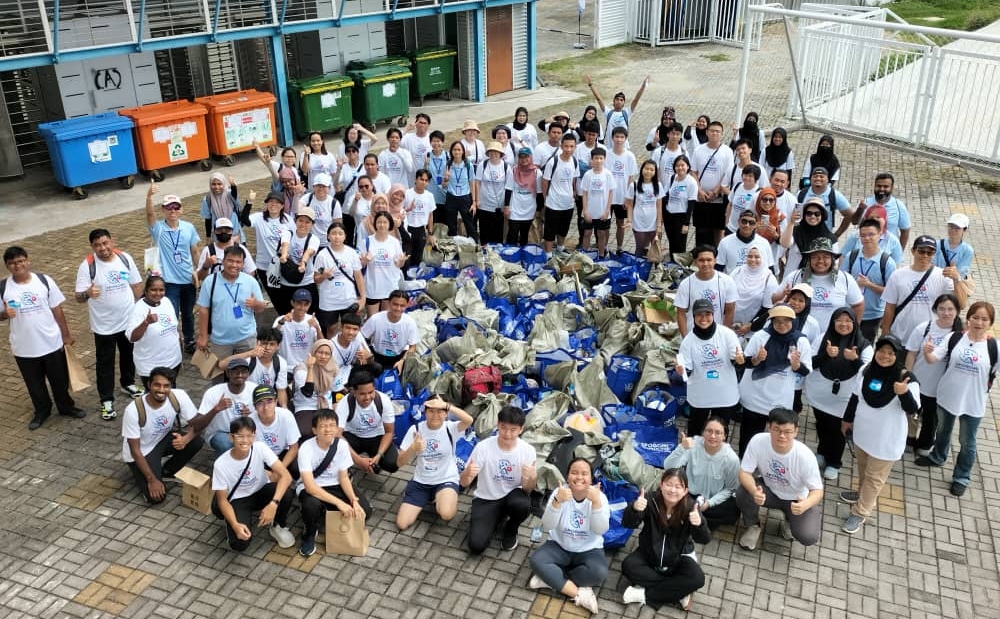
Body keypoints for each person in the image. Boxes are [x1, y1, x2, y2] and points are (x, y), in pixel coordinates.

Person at [915, 301, 999, 497]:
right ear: (968, 318)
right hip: (947, 396)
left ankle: (961, 477)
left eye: (984, 319)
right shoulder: (954, 337)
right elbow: (933, 359)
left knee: (967, 441)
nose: (979, 322)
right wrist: (927, 352)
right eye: (975, 317)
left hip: (973, 402)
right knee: (943, 430)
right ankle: (938, 457)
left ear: (991, 322)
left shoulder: (994, 347)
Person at [838, 334, 919, 532]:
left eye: (891, 353)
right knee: (863, 469)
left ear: (897, 355)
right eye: (881, 351)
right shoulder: (866, 370)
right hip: (864, 434)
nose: (884, 356)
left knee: (874, 478)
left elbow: (914, 410)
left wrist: (904, 393)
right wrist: (847, 420)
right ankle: (861, 493)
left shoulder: (906, 379)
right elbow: (855, 397)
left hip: (886, 441)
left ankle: (861, 512)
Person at [1, 246, 84, 430]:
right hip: (24, 347)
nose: (18, 265)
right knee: (34, 383)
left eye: (21, 261)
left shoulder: (44, 281)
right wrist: (4, 314)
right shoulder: (3, 288)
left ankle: (65, 406)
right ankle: (42, 410)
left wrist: (66, 335)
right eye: (13, 263)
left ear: (27, 261)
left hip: (51, 342)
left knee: (60, 379)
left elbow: (57, 309)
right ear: (7, 266)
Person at [75, 228, 143, 420]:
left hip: (128, 320)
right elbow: (78, 297)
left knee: (129, 354)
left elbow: (136, 285)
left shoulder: (125, 258)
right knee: (105, 363)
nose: (102, 248)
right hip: (104, 326)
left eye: (105, 243)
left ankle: (127, 383)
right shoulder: (87, 266)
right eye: (97, 245)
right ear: (92, 247)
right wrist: (87, 294)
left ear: (111, 241)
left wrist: (142, 310)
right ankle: (106, 400)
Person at [620, 468, 711, 611]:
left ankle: (643, 594)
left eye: (678, 486)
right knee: (628, 566)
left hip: (678, 558)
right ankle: (677, 591)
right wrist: (635, 509)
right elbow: (627, 524)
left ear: (685, 490)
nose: (672, 490)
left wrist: (699, 524)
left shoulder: (690, 508)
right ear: (661, 485)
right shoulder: (649, 500)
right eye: (669, 484)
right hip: (649, 555)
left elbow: (704, 539)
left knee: (697, 578)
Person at [527, 458, 608, 615]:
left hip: (589, 549)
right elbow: (548, 525)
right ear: (567, 476)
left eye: (584, 473)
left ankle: (551, 579)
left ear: (591, 478)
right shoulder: (560, 493)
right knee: (536, 560)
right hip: (559, 545)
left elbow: (600, 530)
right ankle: (578, 594)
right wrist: (557, 502)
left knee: (600, 573)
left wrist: (596, 503)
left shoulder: (600, 497)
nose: (579, 477)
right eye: (574, 473)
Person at [736, 407, 823, 550]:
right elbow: (744, 472)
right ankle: (753, 525)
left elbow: (818, 491)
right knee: (742, 492)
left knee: (808, 536)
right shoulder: (757, 441)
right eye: (777, 429)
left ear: (796, 431)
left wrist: (805, 504)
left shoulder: (805, 456)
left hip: (796, 499)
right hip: (769, 491)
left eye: (787, 431)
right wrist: (754, 491)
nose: (782, 435)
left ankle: (790, 520)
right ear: (769, 427)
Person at [804, 307, 873, 481]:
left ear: (855, 323)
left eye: (848, 321)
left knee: (838, 429)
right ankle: (822, 452)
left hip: (845, 397)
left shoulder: (863, 345)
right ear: (833, 322)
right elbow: (809, 363)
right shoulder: (822, 339)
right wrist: (825, 355)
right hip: (821, 392)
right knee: (822, 423)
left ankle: (834, 462)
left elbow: (869, 374)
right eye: (839, 320)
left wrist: (855, 360)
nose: (843, 324)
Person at [211, 417, 296, 552]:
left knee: (287, 493)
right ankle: (233, 523)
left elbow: (286, 476)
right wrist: (235, 525)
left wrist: (273, 504)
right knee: (239, 544)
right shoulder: (221, 464)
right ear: (231, 437)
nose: (245, 440)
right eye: (240, 436)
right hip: (238, 500)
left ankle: (277, 525)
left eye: (249, 436)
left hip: (260, 490)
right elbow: (222, 500)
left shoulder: (260, 448)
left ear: (254, 436)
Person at [460, 405, 537, 554]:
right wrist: (467, 473)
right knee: (476, 546)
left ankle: (511, 529)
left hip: (512, 497)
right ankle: (496, 518)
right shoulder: (483, 447)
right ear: (498, 425)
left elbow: (527, 489)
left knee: (522, 504)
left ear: (521, 429)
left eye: (513, 429)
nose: (507, 434)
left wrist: (533, 477)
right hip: (486, 499)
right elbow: (463, 483)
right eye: (503, 427)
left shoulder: (528, 451)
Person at [738, 305, 813, 456]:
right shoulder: (760, 336)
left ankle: (767, 468)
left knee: (775, 438)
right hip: (754, 398)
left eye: (786, 321)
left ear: (793, 321)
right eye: (777, 321)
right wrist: (757, 359)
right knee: (748, 436)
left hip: (780, 401)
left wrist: (796, 365)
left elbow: (807, 370)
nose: (781, 325)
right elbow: (744, 362)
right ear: (771, 321)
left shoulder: (800, 341)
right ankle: (745, 465)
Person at [122, 366, 204, 503]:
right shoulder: (133, 410)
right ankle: (150, 475)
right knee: (156, 498)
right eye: (157, 385)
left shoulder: (178, 396)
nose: (161, 390)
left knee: (196, 441)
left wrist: (185, 439)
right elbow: (135, 451)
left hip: (162, 439)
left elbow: (198, 425)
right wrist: (152, 480)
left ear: (171, 386)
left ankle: (167, 471)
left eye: (166, 386)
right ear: (149, 385)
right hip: (142, 451)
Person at [296, 409, 371, 556]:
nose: (328, 429)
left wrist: (353, 500)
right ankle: (309, 533)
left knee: (365, 511)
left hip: (335, 485)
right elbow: (310, 487)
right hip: (312, 486)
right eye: (323, 426)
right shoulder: (306, 448)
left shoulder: (342, 445)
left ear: (337, 428)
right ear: (314, 430)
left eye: (332, 425)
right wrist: (339, 503)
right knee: (311, 505)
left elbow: (343, 477)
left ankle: (325, 512)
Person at [396, 394, 474, 530]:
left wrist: (447, 406)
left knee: (446, 514)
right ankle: (428, 496)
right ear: (425, 412)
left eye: (440, 411)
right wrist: (412, 448)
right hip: (421, 481)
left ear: (446, 414)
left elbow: (469, 420)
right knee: (402, 524)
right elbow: (399, 463)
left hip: (446, 478)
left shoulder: (451, 428)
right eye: (431, 411)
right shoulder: (416, 430)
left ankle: (446, 494)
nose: (435, 415)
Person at [676, 299, 745, 436]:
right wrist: (681, 371)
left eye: (707, 314)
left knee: (720, 431)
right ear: (693, 317)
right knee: (696, 431)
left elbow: (737, 361)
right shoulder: (688, 341)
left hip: (725, 395)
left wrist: (739, 361)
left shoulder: (727, 334)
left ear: (713, 315)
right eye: (699, 315)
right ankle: (694, 456)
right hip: (700, 396)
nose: (704, 319)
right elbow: (687, 371)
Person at [145, 184, 200, 354]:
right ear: (163, 210)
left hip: (188, 279)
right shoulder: (159, 228)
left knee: (189, 313)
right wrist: (148, 198)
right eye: (169, 208)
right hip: (169, 281)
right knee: (172, 314)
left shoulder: (188, 227)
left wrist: (198, 272)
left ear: (181, 209)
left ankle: (190, 339)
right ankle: (174, 340)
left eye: (176, 207)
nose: (172, 211)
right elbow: (149, 215)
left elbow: (195, 250)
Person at [905, 293, 962, 455]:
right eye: (942, 309)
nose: (946, 313)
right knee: (912, 411)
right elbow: (911, 354)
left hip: (942, 386)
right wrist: (909, 378)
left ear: (957, 311)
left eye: (950, 309)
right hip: (920, 381)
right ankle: (909, 438)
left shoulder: (961, 334)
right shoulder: (924, 328)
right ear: (935, 310)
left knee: (932, 417)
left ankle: (925, 443)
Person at [881, 235, 968, 340]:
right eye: (921, 251)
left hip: (929, 339)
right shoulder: (897, 275)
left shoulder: (942, 276)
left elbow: (962, 304)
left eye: (930, 253)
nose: (925, 256)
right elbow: (890, 306)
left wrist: (957, 279)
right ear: (913, 251)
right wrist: (885, 333)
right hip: (900, 336)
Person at [663, 419, 741, 529]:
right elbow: (668, 466)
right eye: (709, 431)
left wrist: (709, 503)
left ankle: (690, 518)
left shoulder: (732, 459)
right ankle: (694, 519)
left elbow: (730, 488)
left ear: (724, 436)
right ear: (703, 432)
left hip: (714, 498)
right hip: (690, 493)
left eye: (718, 433)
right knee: (669, 494)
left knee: (732, 510)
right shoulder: (692, 445)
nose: (712, 436)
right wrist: (681, 448)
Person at [195, 246, 267, 361]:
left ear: (243, 264)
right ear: (223, 261)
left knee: (248, 373)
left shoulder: (251, 282)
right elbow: (203, 309)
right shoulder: (210, 281)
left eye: (238, 262)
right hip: (220, 340)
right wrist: (203, 336)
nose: (234, 265)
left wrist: (256, 303)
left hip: (246, 338)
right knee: (218, 374)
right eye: (230, 261)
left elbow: (261, 308)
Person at [779, 237, 864, 332]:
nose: (820, 261)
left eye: (825, 257)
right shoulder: (795, 276)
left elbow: (858, 305)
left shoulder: (845, 278)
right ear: (809, 259)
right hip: (799, 337)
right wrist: (783, 295)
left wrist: (853, 330)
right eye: (815, 257)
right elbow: (775, 298)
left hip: (834, 338)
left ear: (832, 259)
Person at [842, 218, 897, 341]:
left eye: (871, 234)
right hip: (850, 312)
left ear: (880, 235)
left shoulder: (887, 262)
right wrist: (853, 284)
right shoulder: (851, 256)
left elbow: (891, 293)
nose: (867, 238)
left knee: (864, 350)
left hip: (872, 315)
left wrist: (869, 285)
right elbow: (841, 284)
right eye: (863, 235)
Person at [336, 367, 398, 475]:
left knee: (392, 464)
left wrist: (379, 455)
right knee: (335, 450)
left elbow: (389, 432)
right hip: (353, 436)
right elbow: (337, 435)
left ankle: (374, 461)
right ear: (353, 392)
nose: (367, 397)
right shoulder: (345, 403)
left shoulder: (383, 400)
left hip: (376, 437)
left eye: (371, 392)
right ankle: (346, 470)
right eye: (362, 394)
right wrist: (358, 460)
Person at [126, 275, 181, 391]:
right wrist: (146, 322)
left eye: (161, 290)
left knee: (171, 391)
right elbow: (132, 337)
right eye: (153, 290)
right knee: (155, 396)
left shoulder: (166, 301)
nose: (158, 293)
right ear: (146, 291)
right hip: (151, 365)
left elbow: (174, 326)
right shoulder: (138, 309)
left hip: (173, 361)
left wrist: (179, 343)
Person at [312, 222, 365, 337]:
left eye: (340, 233)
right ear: (328, 236)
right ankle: (332, 351)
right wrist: (323, 276)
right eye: (334, 233)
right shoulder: (322, 255)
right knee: (331, 328)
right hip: (329, 300)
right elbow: (316, 279)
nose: (337, 236)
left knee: (350, 327)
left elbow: (358, 276)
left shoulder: (351, 253)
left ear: (345, 236)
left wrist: (363, 297)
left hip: (348, 298)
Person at [673, 244, 738, 337]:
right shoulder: (686, 284)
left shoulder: (727, 281)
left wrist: (725, 335)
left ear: (715, 260)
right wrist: (685, 337)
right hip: (693, 333)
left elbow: (730, 311)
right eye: (701, 260)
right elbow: (680, 313)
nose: (705, 264)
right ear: (695, 261)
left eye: (709, 260)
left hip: (717, 333)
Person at [218, 326, 289, 408]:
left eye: (272, 344)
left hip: (266, 400)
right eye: (264, 343)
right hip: (246, 399)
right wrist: (249, 353)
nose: (267, 348)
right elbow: (222, 365)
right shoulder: (249, 359)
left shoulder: (281, 363)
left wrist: (284, 408)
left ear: (278, 346)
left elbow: (281, 390)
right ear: (258, 343)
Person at [197, 357, 257, 452]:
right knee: (225, 444)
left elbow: (264, 417)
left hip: (245, 432)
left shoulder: (254, 390)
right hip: (221, 433)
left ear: (248, 374)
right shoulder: (214, 392)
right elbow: (197, 425)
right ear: (228, 373)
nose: (240, 375)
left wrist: (249, 417)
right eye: (235, 371)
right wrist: (216, 409)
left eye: (244, 371)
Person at [241, 190, 294, 298]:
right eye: (270, 201)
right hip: (264, 266)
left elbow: (293, 239)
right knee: (274, 296)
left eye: (277, 202)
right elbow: (245, 220)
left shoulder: (288, 220)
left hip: (282, 264)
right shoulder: (259, 217)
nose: (273, 204)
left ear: (282, 205)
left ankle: (286, 314)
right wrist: (249, 202)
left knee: (285, 295)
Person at [689, 121, 735, 246]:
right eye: (712, 130)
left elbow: (727, 174)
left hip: (718, 199)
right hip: (701, 198)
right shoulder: (699, 150)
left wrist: (715, 191)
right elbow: (693, 172)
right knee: (701, 229)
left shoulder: (727, 151)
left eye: (718, 131)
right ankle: (700, 255)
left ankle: (717, 257)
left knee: (718, 230)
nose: (715, 133)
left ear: (722, 134)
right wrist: (699, 191)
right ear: (707, 132)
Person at [275, 206, 320, 315]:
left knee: (311, 314)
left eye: (307, 222)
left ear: (312, 224)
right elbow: (285, 244)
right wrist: (284, 255)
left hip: (306, 282)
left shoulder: (314, 239)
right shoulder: (287, 233)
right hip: (286, 281)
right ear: (296, 221)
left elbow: (309, 252)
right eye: (300, 220)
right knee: (286, 314)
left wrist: (303, 263)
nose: (303, 224)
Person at [361, 212, 407, 316]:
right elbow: (360, 265)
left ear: (390, 224)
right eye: (379, 222)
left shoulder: (395, 242)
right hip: (373, 286)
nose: (382, 225)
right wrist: (365, 260)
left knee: (386, 318)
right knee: (372, 318)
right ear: (375, 224)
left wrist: (401, 262)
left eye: (385, 222)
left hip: (389, 286)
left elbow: (399, 264)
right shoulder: (367, 241)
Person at [249, 384, 300, 479]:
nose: (265, 407)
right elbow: (249, 454)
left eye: (269, 402)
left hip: (282, 453)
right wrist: (268, 473)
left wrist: (279, 470)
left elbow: (294, 447)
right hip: (261, 458)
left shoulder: (286, 415)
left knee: (296, 467)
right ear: (254, 406)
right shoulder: (250, 422)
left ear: (276, 402)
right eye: (260, 403)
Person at [541, 133, 580, 255]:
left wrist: (574, 192)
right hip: (553, 202)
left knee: (564, 228)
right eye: (566, 146)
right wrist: (545, 198)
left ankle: (560, 248)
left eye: (571, 146)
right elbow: (545, 181)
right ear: (561, 146)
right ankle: (548, 254)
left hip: (568, 203)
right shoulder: (553, 162)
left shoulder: (574, 161)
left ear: (575, 147)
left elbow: (574, 179)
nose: (569, 149)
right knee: (550, 230)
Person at [360, 290, 418, 371]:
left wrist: (402, 360)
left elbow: (413, 346)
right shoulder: (376, 319)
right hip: (377, 356)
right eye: (395, 304)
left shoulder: (410, 322)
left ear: (407, 305)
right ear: (389, 303)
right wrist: (365, 352)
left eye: (402, 306)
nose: (398, 308)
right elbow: (361, 337)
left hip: (398, 357)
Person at [730, 247, 780, 340]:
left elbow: (768, 309)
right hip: (731, 326)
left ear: (764, 258)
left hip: (752, 331)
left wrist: (750, 326)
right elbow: (727, 297)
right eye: (750, 256)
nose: (753, 260)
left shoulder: (769, 278)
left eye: (757, 257)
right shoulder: (737, 272)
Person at [291, 339, 338, 436]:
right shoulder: (301, 368)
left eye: (327, 354)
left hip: (325, 406)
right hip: (305, 406)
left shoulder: (332, 368)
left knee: (330, 431)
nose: (323, 356)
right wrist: (310, 368)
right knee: (305, 431)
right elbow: (307, 392)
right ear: (313, 352)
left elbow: (334, 390)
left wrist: (334, 404)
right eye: (320, 352)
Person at [585, 74, 648, 145]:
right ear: (613, 101)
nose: (619, 101)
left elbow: (636, 99)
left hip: (623, 148)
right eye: (617, 99)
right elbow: (599, 99)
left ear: (624, 103)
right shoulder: (608, 112)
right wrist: (591, 85)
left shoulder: (627, 113)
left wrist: (643, 86)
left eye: (621, 100)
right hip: (609, 147)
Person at [779, 197, 836, 273]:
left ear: (822, 215)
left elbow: (834, 264)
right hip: (793, 279)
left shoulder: (830, 238)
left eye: (817, 214)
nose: (813, 216)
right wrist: (791, 223)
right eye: (809, 213)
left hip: (818, 280)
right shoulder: (795, 231)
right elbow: (784, 244)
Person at [855, 172, 911, 247]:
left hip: (889, 251)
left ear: (891, 188)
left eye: (886, 186)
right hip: (866, 249)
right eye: (879, 186)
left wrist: (899, 251)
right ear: (874, 186)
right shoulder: (865, 203)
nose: (882, 189)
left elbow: (905, 232)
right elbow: (854, 222)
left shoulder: (899, 206)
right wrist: (860, 210)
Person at [796, 166, 853, 238]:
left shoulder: (835, 195)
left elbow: (849, 214)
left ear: (827, 180)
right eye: (815, 176)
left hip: (825, 237)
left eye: (821, 176)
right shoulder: (801, 194)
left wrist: (836, 235)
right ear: (810, 179)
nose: (818, 178)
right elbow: (796, 216)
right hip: (803, 236)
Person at [660, 155, 699, 258]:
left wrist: (686, 223)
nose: (680, 168)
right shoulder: (672, 178)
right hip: (669, 216)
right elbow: (665, 195)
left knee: (680, 246)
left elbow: (691, 204)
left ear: (688, 166)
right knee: (672, 243)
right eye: (677, 165)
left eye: (682, 165)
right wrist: (662, 215)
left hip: (681, 218)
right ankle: (671, 265)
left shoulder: (691, 182)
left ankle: (680, 268)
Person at [579, 146, 614, 258]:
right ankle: (585, 255)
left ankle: (601, 254)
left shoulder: (608, 174)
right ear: (592, 159)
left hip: (602, 212)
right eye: (596, 158)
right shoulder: (588, 175)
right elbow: (584, 193)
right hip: (589, 211)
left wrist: (607, 210)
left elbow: (610, 193)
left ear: (604, 159)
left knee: (601, 234)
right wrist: (585, 211)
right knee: (587, 233)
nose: (598, 161)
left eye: (601, 158)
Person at [624, 160, 662, 258]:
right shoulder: (634, 185)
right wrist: (629, 220)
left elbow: (659, 206)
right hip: (638, 222)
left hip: (653, 223)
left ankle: (657, 269)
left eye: (651, 170)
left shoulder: (658, 185)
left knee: (656, 248)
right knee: (639, 247)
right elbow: (630, 205)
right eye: (646, 169)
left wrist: (658, 224)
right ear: (642, 170)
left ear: (655, 172)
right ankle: (638, 270)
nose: (648, 172)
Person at [476, 142, 512, 245]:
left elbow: (508, 187)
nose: (494, 154)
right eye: (491, 151)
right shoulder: (483, 165)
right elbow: (477, 183)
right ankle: (484, 252)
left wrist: (506, 205)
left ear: (501, 153)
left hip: (498, 206)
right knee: (484, 231)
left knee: (497, 233)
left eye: (496, 152)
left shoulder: (506, 167)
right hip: (484, 205)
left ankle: (496, 254)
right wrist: (477, 199)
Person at [717, 209, 773, 273]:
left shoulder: (764, 243)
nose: (747, 225)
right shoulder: (725, 242)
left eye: (751, 222)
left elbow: (770, 268)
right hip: (732, 282)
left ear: (756, 224)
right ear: (738, 222)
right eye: (744, 221)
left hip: (756, 282)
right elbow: (718, 268)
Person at [442, 141, 479, 241]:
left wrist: (474, 202)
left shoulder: (468, 165)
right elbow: (443, 185)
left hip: (465, 197)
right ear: (451, 151)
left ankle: (474, 246)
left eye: (459, 149)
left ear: (463, 151)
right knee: (451, 225)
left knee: (469, 224)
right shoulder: (448, 165)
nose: (457, 152)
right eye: (454, 149)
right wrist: (446, 178)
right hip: (451, 197)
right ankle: (452, 248)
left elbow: (472, 182)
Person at [506, 147, 541, 247]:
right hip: (515, 209)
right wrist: (506, 206)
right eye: (521, 157)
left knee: (525, 235)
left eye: (526, 157)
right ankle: (511, 256)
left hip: (529, 209)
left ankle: (522, 255)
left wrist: (539, 210)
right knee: (512, 234)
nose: (524, 159)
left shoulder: (537, 173)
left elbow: (539, 194)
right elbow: (508, 189)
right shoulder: (513, 171)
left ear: (531, 157)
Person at [297, 173, 341, 248]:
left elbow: (338, 225)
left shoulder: (334, 203)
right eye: (318, 186)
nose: (321, 189)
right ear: (313, 187)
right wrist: (297, 195)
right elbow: (298, 211)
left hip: (326, 244)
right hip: (308, 242)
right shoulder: (307, 199)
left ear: (329, 188)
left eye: (324, 186)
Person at [403, 169, 436, 267]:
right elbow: (400, 211)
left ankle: (415, 280)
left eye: (426, 181)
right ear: (415, 179)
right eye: (421, 179)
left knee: (418, 258)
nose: (424, 182)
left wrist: (430, 234)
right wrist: (408, 209)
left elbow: (430, 215)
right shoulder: (407, 193)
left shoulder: (429, 196)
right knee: (407, 258)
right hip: (407, 229)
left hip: (421, 230)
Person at [200, 173, 243, 242]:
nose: (217, 187)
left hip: (234, 232)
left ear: (224, 184)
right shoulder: (207, 199)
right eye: (213, 184)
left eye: (219, 184)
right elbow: (208, 220)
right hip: (218, 234)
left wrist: (233, 186)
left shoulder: (229, 194)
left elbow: (234, 194)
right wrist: (208, 237)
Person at [933, 212, 975, 280]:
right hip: (936, 281)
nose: (953, 230)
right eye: (951, 226)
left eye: (957, 228)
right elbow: (931, 266)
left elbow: (961, 273)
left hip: (953, 285)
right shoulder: (937, 244)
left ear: (964, 230)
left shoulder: (967, 251)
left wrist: (955, 274)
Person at [752, 188, 785, 269]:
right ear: (759, 200)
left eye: (771, 200)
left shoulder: (780, 217)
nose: (767, 203)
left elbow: (785, 241)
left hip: (772, 257)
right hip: (753, 257)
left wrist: (775, 234)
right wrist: (754, 232)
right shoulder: (752, 216)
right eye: (764, 199)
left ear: (775, 201)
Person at [400, 113, 432, 180]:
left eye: (425, 123)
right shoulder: (408, 137)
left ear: (428, 125)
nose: (422, 125)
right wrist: (407, 129)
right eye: (420, 122)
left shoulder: (432, 139)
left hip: (426, 178)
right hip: (411, 178)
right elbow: (395, 142)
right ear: (416, 123)